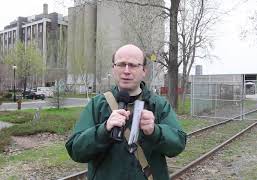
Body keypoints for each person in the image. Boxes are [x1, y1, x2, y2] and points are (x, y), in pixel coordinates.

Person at [65, 44, 187, 180]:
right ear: (113, 68)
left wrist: (155, 131)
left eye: (133, 65)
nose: (126, 71)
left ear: (144, 70)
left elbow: (178, 145)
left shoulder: (158, 104)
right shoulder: (97, 105)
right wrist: (104, 130)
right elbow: (76, 151)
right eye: (121, 64)